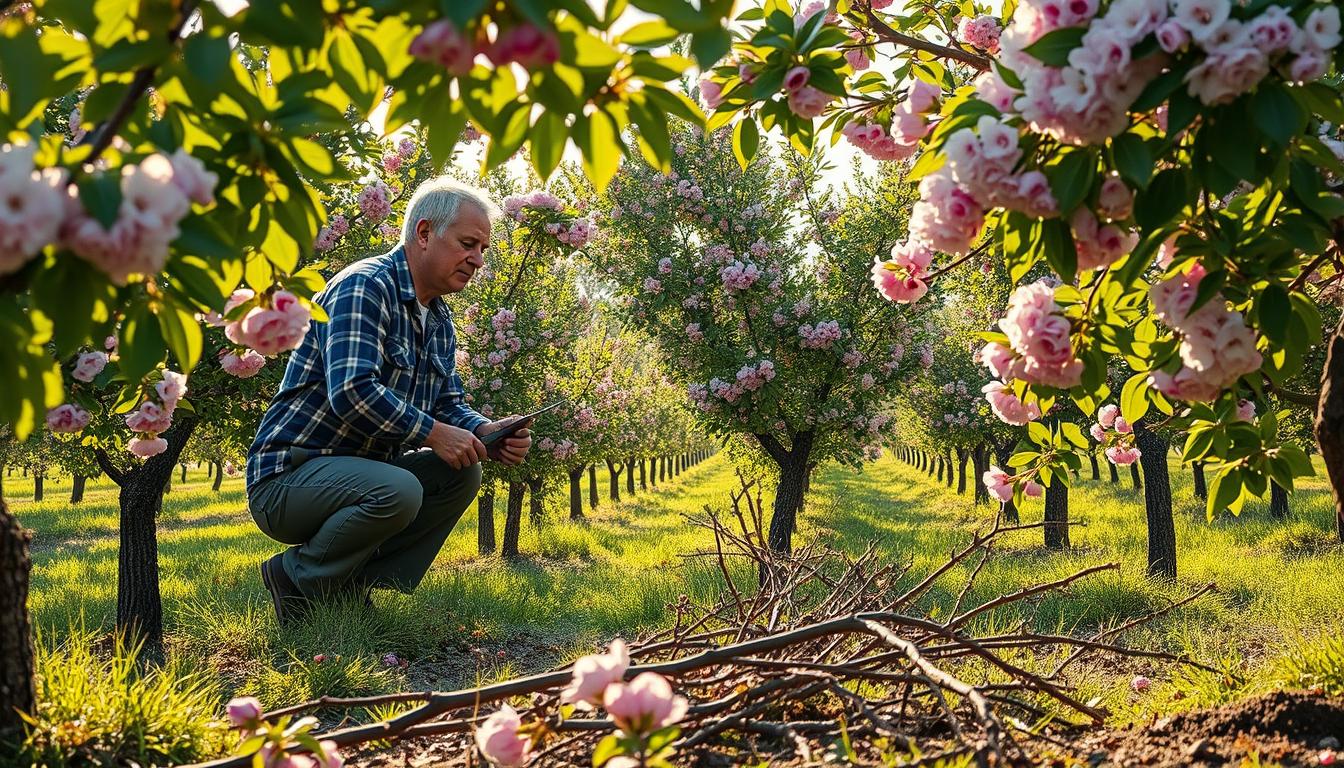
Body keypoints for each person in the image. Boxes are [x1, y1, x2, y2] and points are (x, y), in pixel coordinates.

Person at [245, 177, 532, 623]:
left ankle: (347, 586)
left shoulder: (437, 316)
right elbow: (352, 391)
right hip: (290, 476)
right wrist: (436, 434)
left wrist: (483, 431)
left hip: (359, 474)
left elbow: (447, 401)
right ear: (423, 234)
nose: (476, 259)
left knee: (461, 473)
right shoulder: (364, 287)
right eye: (468, 243)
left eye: (482, 250)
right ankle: (295, 578)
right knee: (399, 490)